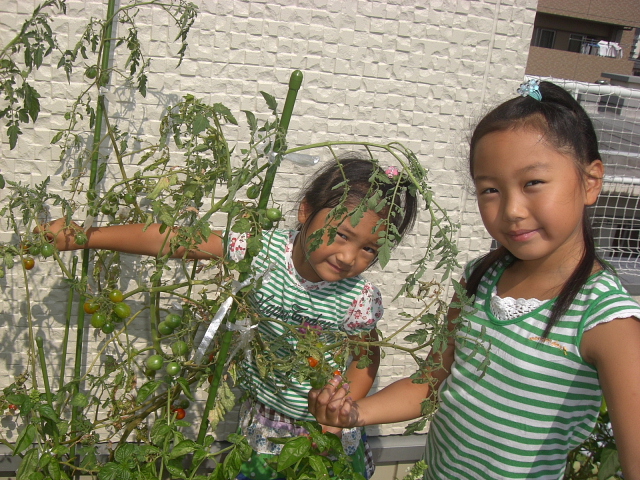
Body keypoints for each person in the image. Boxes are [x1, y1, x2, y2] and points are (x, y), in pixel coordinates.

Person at [308, 81, 640, 480]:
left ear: (590, 181)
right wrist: (353, 412)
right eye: (491, 189)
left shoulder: (606, 319)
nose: (512, 209)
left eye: (532, 183)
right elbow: (431, 382)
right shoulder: (481, 277)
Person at [39, 154, 419, 480]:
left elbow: (366, 358)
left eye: (370, 248)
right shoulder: (259, 250)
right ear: (305, 211)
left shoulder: (358, 298)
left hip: (327, 432)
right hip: (266, 422)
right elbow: (178, 239)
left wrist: (337, 415)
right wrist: (88, 235)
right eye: (341, 235)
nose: (349, 257)